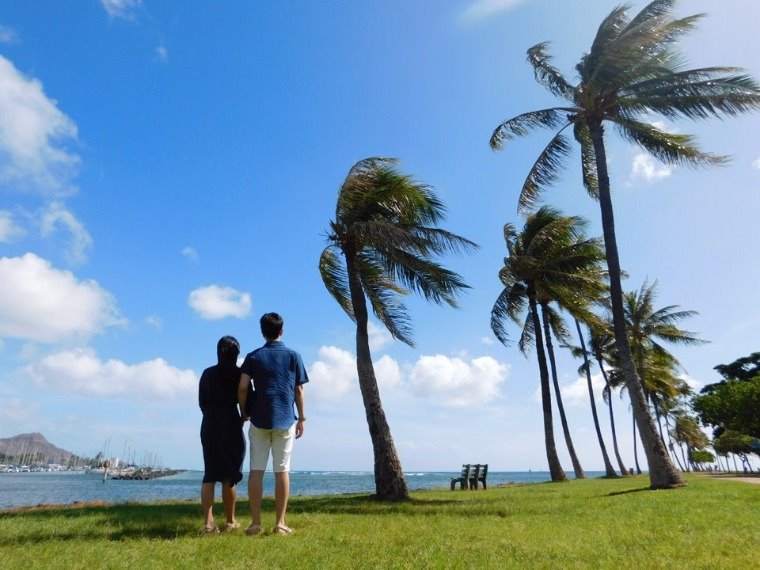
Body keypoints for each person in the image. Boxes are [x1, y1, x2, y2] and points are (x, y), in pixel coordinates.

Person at [238, 313, 307, 536]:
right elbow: (298, 390)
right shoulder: (293, 355)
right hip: (285, 417)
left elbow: (242, 387)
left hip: (258, 418)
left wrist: (244, 410)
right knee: (282, 471)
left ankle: (255, 524)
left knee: (256, 471)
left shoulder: (253, 356)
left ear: (262, 331)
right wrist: (302, 418)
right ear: (281, 330)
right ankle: (280, 523)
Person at [199, 335, 246, 533]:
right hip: (232, 426)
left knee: (209, 475)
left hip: (209, 426)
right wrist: (243, 416)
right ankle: (230, 521)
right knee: (229, 476)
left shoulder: (207, 374)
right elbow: (247, 398)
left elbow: (202, 403)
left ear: (218, 352)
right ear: (237, 354)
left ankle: (209, 523)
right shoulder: (240, 375)